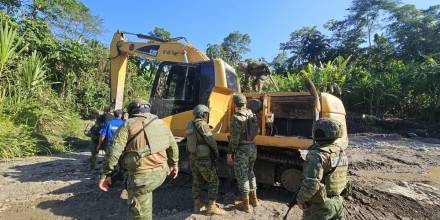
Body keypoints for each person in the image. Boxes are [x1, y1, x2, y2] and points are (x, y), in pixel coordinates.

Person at [98, 99, 179, 220]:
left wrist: (106, 174)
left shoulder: (128, 124)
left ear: (132, 111)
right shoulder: (161, 123)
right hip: (162, 173)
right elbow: (173, 146)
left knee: (140, 213)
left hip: (142, 178)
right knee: (145, 193)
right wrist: (174, 164)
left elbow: (114, 152)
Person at [296, 118, 348, 220]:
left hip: (321, 207)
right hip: (339, 203)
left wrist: (300, 200)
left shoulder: (317, 155)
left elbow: (312, 183)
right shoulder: (341, 152)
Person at [186, 104, 226, 215]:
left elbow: (189, 142)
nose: (207, 116)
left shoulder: (189, 124)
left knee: (196, 180)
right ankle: (212, 207)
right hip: (203, 158)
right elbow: (211, 141)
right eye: (206, 114)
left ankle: (197, 204)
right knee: (214, 180)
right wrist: (216, 154)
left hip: (193, 157)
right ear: (203, 114)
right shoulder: (202, 124)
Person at [226, 94, 260, 213]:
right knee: (250, 172)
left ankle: (246, 206)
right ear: (245, 103)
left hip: (242, 150)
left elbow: (234, 139)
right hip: (252, 147)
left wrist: (229, 153)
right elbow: (257, 131)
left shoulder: (236, 117)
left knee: (242, 176)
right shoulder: (252, 115)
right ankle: (254, 200)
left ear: (235, 104)